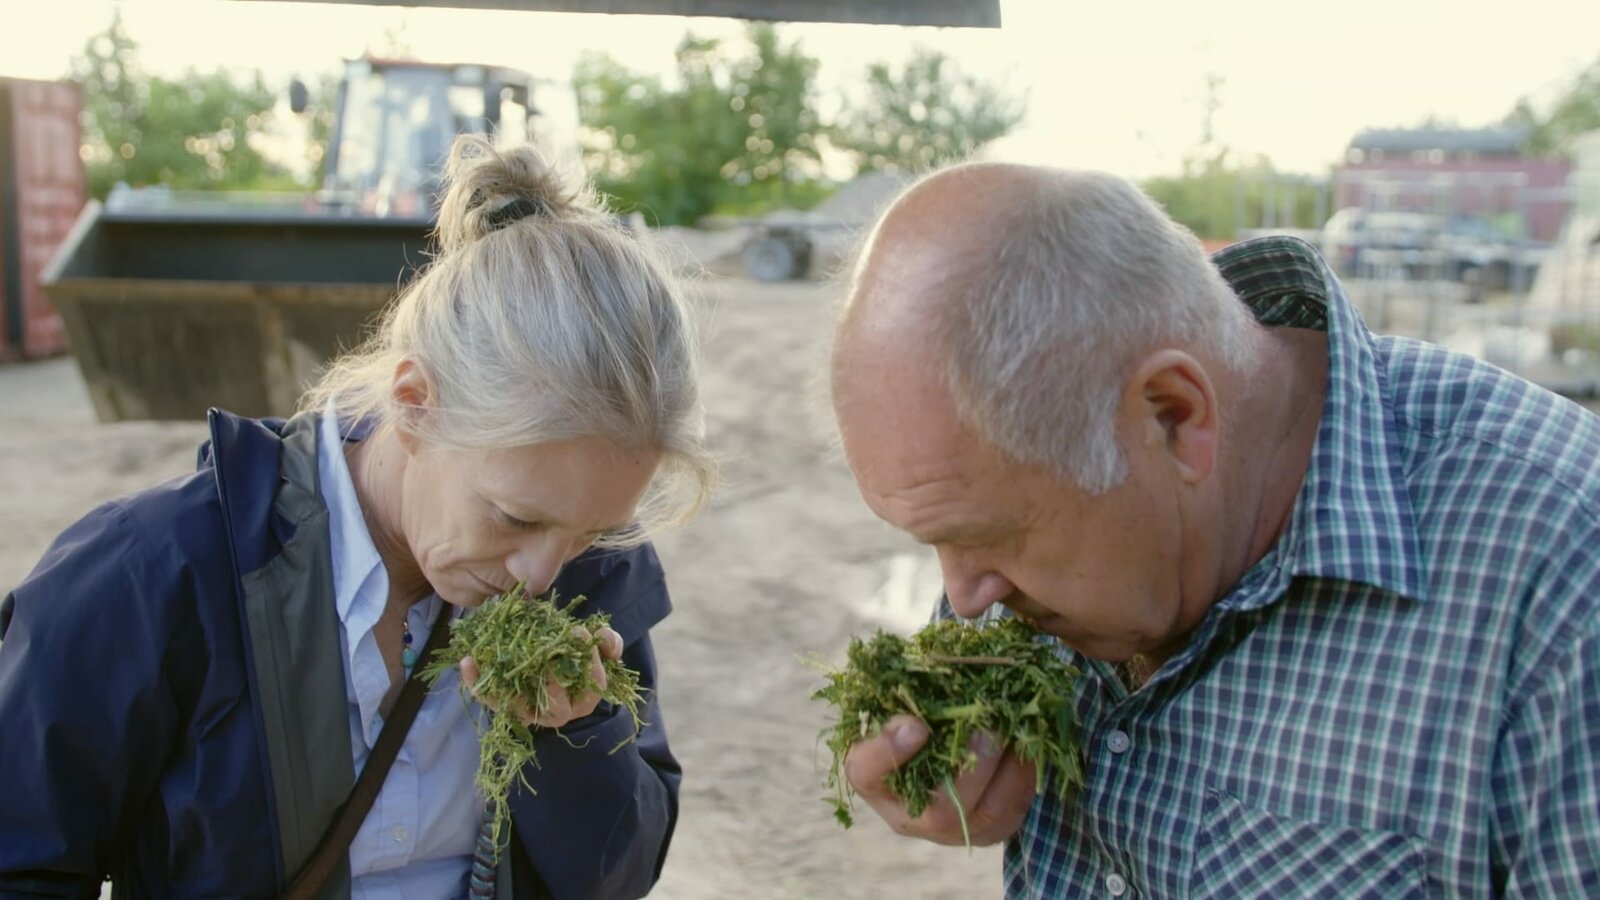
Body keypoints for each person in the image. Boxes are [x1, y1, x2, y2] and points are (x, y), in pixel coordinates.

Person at [829, 162, 1600, 897]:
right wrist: (937, 772)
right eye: (933, 543)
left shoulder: (1563, 584)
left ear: (1173, 415)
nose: (962, 602)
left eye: (989, 535)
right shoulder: (1031, 545)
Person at [0, 134, 713, 899]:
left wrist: (577, 732)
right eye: (515, 518)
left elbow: (619, 877)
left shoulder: (591, 572)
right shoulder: (152, 572)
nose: (541, 577)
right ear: (415, 405)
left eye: (592, 531)